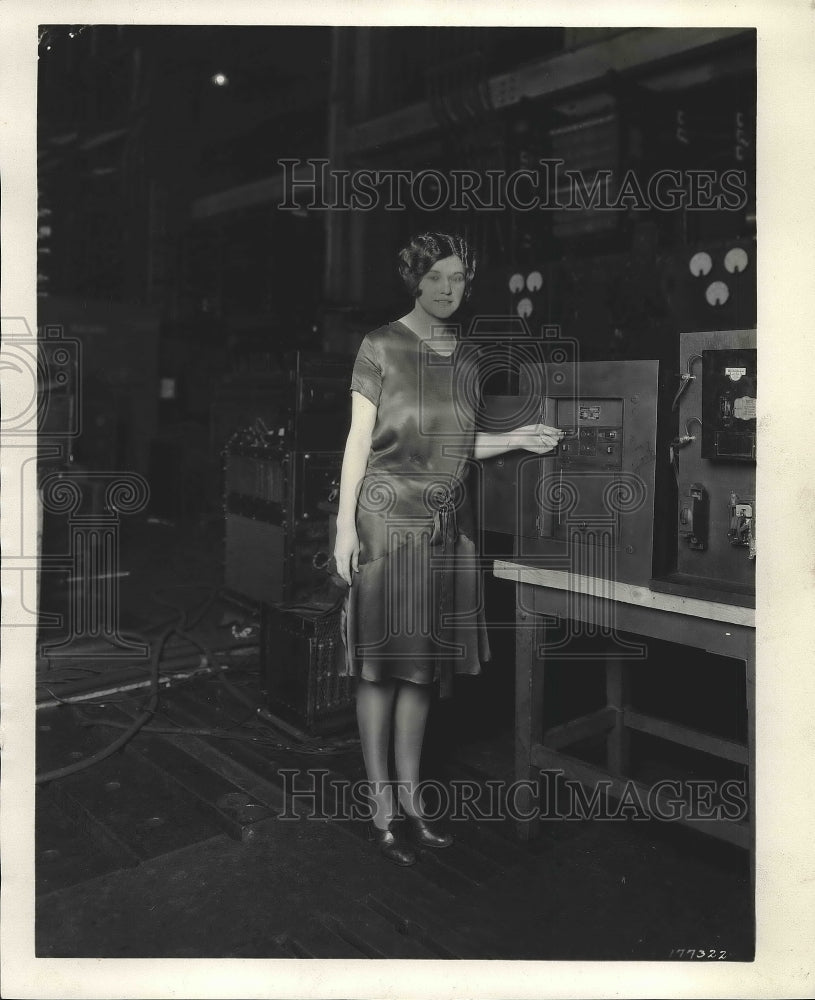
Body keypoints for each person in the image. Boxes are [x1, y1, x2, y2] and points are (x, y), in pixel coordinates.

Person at [334, 232, 563, 866]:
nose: (446, 288)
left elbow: (458, 445)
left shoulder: (468, 358)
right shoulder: (379, 345)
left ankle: (412, 800)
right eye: (434, 276)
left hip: (443, 524)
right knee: (381, 665)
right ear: (415, 279)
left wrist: (519, 437)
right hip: (385, 519)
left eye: (457, 278)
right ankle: (380, 804)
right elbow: (357, 443)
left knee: (422, 669)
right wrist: (344, 528)